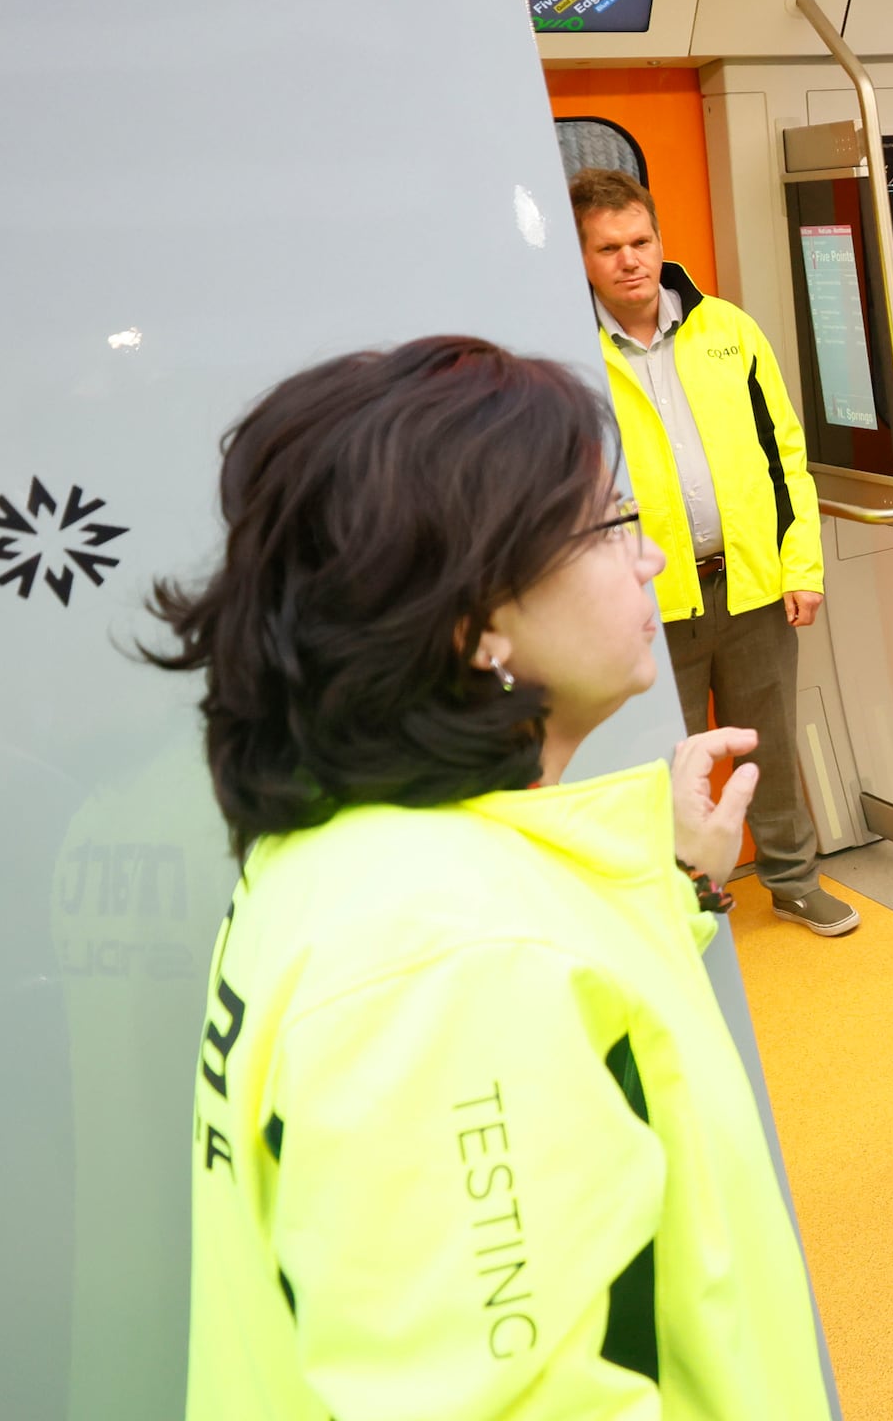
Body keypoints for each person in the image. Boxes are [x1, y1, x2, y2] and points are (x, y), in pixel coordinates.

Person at [161, 337, 834, 1418]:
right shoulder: (443, 970)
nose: (652, 559)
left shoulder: (349, 862)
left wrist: (675, 881)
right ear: (475, 622)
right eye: (611, 526)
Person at [569, 169, 857, 937]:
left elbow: (784, 456)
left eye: (641, 241)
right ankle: (679, 907)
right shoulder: (572, 352)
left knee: (769, 746)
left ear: (659, 240)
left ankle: (794, 880)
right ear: (582, 258)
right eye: (608, 248)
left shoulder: (728, 330)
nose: (630, 260)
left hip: (752, 587)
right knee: (664, 767)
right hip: (648, 604)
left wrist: (801, 567)